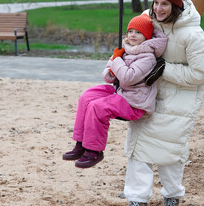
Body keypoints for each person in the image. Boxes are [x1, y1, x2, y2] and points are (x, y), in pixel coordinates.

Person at [123, 0, 204, 206]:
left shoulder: (192, 35)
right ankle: (136, 199)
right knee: (138, 149)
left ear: (176, 5)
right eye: (156, 2)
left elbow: (201, 72)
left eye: (165, 4)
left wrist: (164, 68)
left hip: (179, 101)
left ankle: (172, 195)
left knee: (170, 151)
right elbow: (134, 41)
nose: (158, 8)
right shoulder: (148, 20)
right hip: (147, 96)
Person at [62, 14, 167, 169]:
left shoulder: (148, 57)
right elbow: (107, 76)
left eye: (138, 32)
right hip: (121, 92)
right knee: (87, 97)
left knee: (98, 107)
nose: (132, 35)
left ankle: (94, 151)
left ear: (147, 36)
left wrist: (117, 60)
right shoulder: (124, 49)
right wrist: (113, 69)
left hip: (135, 102)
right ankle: (81, 143)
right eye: (130, 31)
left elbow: (127, 77)